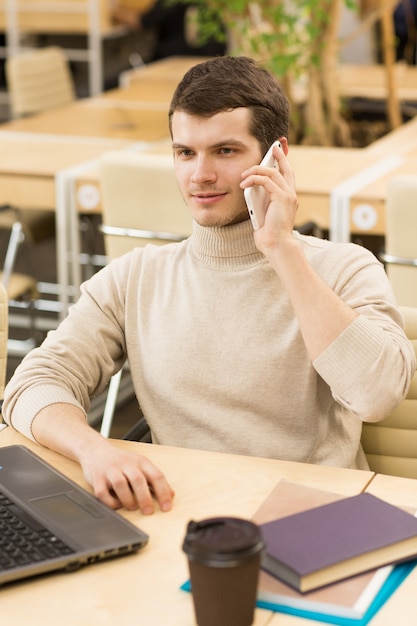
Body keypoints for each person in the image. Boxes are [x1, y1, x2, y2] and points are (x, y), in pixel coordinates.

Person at [2, 56, 415, 516]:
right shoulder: (135, 277)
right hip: (180, 513)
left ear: (275, 156)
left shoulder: (343, 268)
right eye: (185, 153)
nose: (199, 175)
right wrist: (95, 449)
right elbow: (32, 385)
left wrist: (280, 248)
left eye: (224, 151)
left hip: (311, 518)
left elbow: (378, 395)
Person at [111, 0, 227, 62]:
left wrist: (112, 9)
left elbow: (141, 22)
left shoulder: (169, 2)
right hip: (208, 57)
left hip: (176, 57)